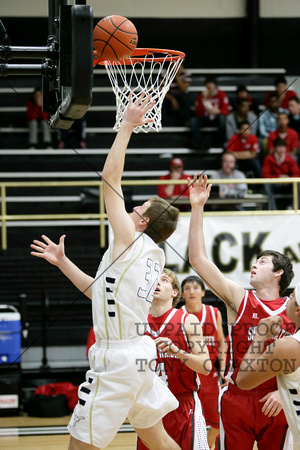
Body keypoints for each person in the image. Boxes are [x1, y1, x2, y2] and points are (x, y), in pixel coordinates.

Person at [30, 93, 182, 450]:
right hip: (139, 352)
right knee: (156, 438)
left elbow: (109, 178)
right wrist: (64, 262)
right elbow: (99, 291)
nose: (130, 208)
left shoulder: (129, 239)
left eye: (138, 206)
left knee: (79, 443)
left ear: (143, 221)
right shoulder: (151, 254)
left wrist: (127, 125)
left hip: (118, 356)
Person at [187, 173, 295, 450]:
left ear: (279, 272)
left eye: (262, 261)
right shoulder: (239, 298)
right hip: (237, 397)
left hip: (277, 397)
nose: (254, 265)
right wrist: (197, 208)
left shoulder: (294, 307)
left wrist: (289, 395)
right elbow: (198, 260)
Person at [137, 269, 211, 450]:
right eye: (154, 280)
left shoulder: (188, 320)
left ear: (175, 292)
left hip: (183, 405)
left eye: (163, 280)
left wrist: (177, 351)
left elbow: (206, 366)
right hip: (150, 405)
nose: (157, 283)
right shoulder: (138, 322)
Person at [236, 283, 300, 448]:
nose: (287, 300)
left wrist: (261, 335)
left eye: (291, 297)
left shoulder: (287, 346)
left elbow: (243, 380)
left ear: (298, 310)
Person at [181, 275, 226, 449]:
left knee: (216, 422)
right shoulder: (179, 315)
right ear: (182, 294)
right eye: (187, 288)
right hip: (188, 374)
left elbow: (222, 342)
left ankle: (208, 444)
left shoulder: (214, 313)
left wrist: (223, 368)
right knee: (188, 420)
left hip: (210, 374)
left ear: (203, 292)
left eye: (195, 287)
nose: (192, 291)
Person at [191, 76, 230, 149]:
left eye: (211, 87)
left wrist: (219, 111)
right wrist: (203, 99)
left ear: (215, 86)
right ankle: (198, 142)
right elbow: (198, 113)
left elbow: (226, 111)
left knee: (223, 119)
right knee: (193, 121)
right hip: (205, 117)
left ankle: (221, 142)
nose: (210, 90)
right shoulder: (201, 96)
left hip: (216, 118)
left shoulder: (221, 95)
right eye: (208, 88)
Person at [262, 137, 300, 210]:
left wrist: (288, 179)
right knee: (266, 184)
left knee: (298, 183)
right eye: (279, 146)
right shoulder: (268, 159)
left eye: (283, 146)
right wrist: (278, 178)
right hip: (275, 184)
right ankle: (272, 209)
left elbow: (297, 174)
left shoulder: (290, 159)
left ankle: (295, 208)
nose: (281, 149)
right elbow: (264, 175)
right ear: (275, 148)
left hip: (287, 184)